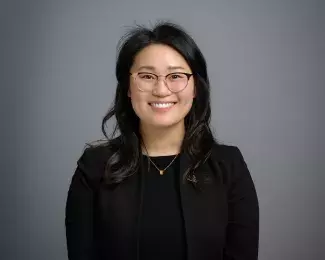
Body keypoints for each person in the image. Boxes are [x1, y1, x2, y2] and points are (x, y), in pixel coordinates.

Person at [65, 21, 259, 260]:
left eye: (175, 76)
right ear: (128, 87)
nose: (161, 89)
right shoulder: (94, 167)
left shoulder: (228, 166)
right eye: (147, 76)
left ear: (195, 87)